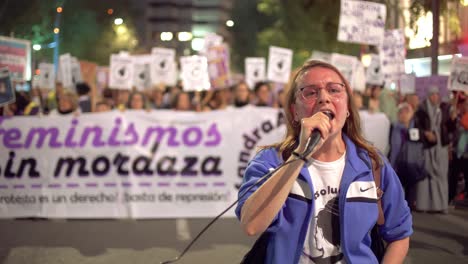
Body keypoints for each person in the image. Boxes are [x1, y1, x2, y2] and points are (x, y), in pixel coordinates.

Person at [236, 60, 412, 264]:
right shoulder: (270, 161)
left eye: (334, 90)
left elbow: (399, 235)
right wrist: (299, 154)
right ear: (295, 111)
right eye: (310, 92)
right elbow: (251, 225)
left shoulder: (373, 164)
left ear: (347, 107)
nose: (324, 98)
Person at [414, 86, 449, 213]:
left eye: (437, 94)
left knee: (441, 177)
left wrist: (453, 118)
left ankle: (441, 205)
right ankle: (424, 205)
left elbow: (449, 127)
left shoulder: (444, 110)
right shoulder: (421, 111)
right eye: (432, 95)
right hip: (427, 148)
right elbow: (417, 128)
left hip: (440, 149)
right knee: (426, 177)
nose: (435, 97)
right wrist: (426, 134)